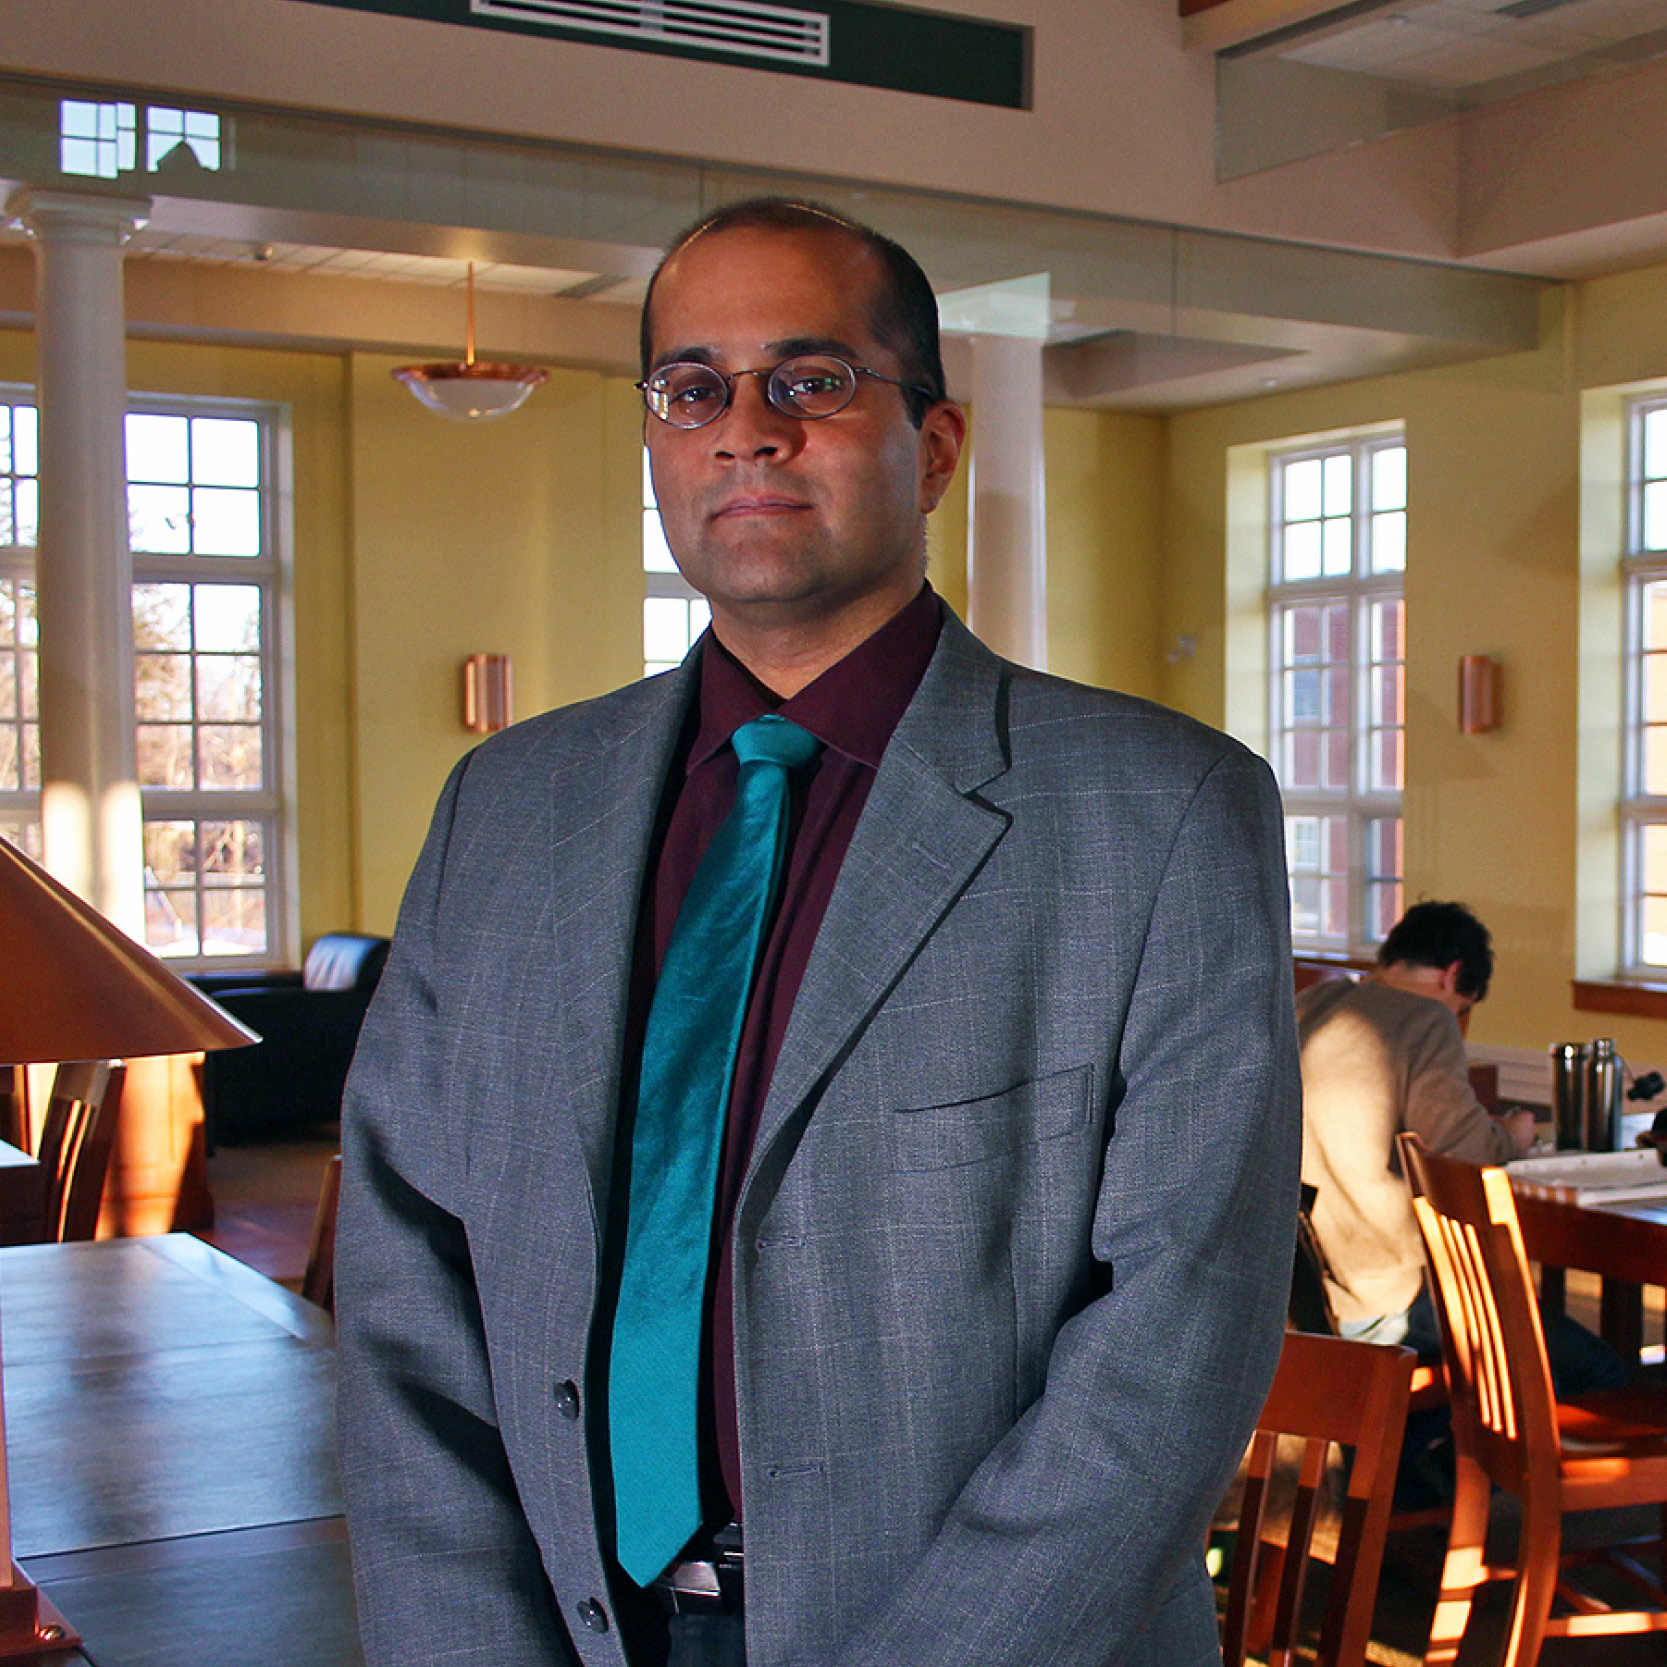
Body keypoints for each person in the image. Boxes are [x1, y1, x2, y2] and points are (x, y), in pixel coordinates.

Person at [335, 196, 1302, 1667]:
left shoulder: (1158, 811)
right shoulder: (505, 809)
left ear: (934, 446)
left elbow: (1179, 1333)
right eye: (692, 388)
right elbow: (406, 1280)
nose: (746, 431)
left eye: (810, 379)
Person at [1298, 900, 1621, 1395]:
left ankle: (1437, 1443)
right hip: (1386, 1299)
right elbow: (1464, 1151)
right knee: (1600, 1368)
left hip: (1302, 1293)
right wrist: (1511, 1135)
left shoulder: (1313, 1003)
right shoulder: (1426, 1019)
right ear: (1453, 975)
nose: (1460, 1020)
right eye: (1465, 1010)